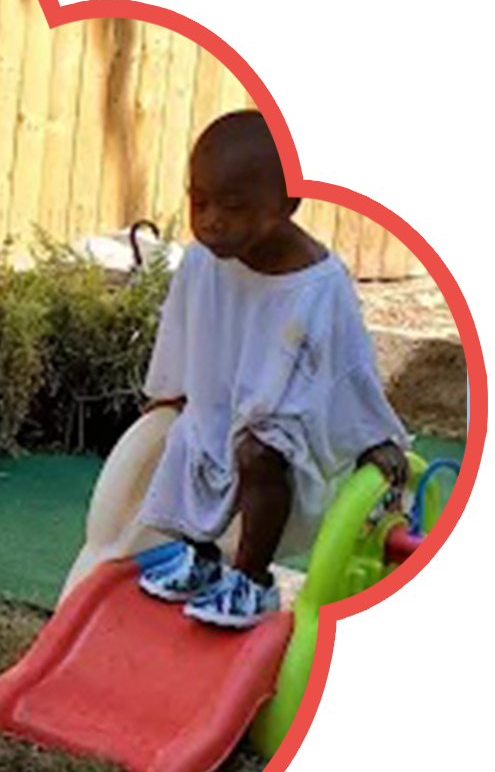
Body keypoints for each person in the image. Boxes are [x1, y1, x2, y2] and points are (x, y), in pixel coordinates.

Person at [136, 110, 409, 627]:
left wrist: (372, 436)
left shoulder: (318, 283)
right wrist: (171, 393)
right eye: (199, 202)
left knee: (258, 451)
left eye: (234, 207)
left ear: (286, 204)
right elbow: (181, 329)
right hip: (220, 409)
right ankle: (200, 557)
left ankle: (252, 580)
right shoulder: (202, 263)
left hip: (285, 434)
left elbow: (347, 364)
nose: (212, 219)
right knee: (190, 436)